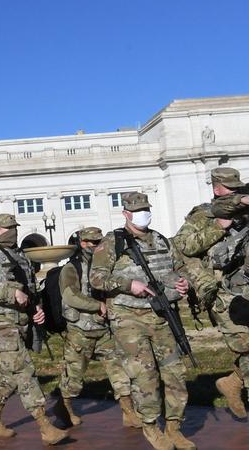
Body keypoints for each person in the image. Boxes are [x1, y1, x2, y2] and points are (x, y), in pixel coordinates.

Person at [91, 192, 201, 450]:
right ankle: (151, 426)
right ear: (126, 213)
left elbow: (176, 268)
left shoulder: (161, 240)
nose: (143, 214)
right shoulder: (112, 242)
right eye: (137, 210)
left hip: (162, 315)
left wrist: (183, 282)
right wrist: (129, 284)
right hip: (129, 317)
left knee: (175, 373)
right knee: (145, 375)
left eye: (145, 209)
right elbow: (96, 279)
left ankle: (174, 427)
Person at [0, 213, 68, 445]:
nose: (12, 231)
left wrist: (37, 308)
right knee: (24, 369)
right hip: (3, 322)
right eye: (7, 228)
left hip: (23, 320)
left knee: (10, 373)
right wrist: (11, 293)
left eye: (14, 227)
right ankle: (45, 425)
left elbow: (30, 287)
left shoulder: (22, 256)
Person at [173, 167, 249, 420]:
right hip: (222, 294)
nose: (237, 192)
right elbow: (183, 245)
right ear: (217, 189)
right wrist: (218, 227)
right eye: (231, 188)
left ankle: (232, 383)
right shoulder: (203, 215)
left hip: (245, 287)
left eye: (239, 188)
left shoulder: (244, 214)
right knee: (246, 346)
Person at [54, 226, 138, 428]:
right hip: (80, 330)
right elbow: (69, 295)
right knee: (73, 377)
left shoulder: (104, 266)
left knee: (119, 372)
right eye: (93, 242)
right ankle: (63, 410)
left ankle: (129, 412)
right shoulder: (71, 268)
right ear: (83, 244)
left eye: (100, 242)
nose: (97, 246)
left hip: (104, 330)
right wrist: (96, 305)